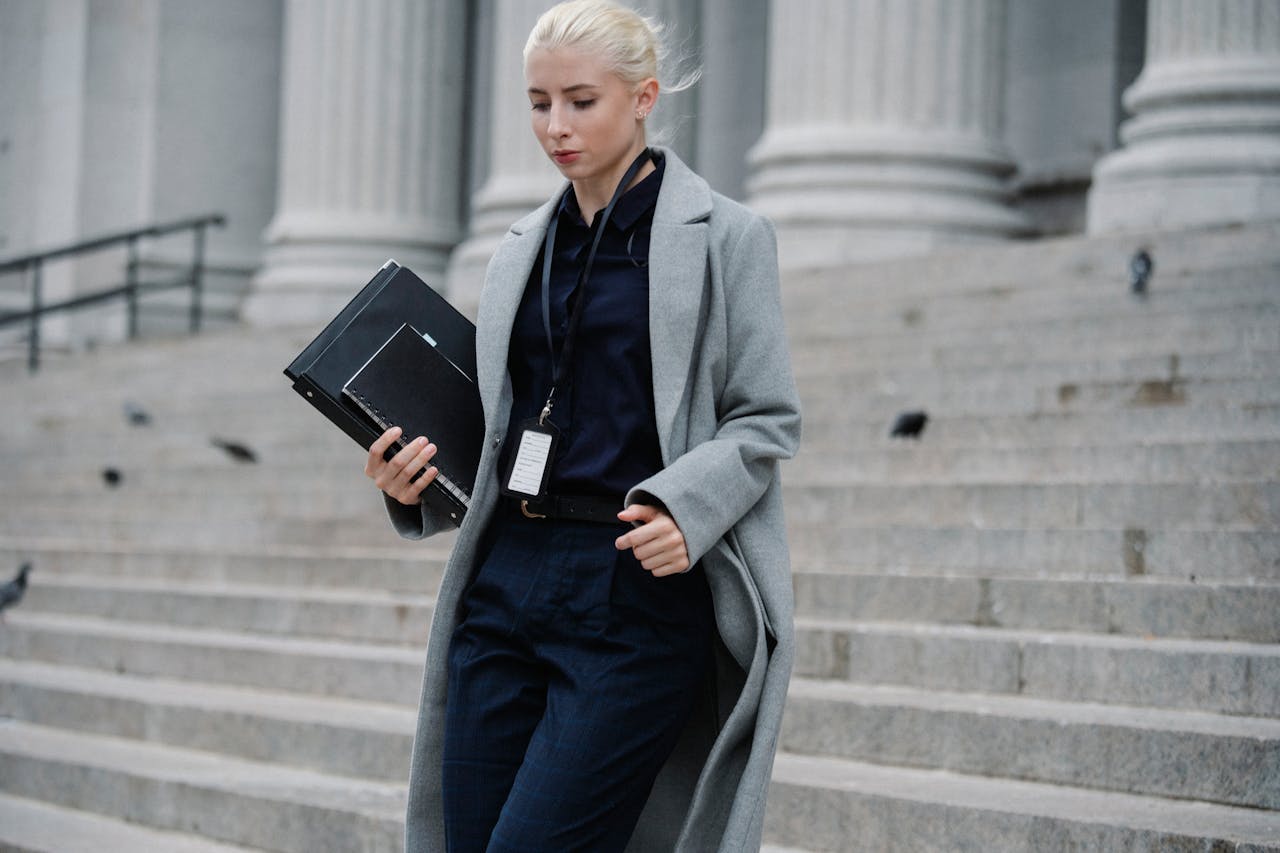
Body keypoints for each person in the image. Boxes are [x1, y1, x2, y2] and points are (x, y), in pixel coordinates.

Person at [364, 1, 801, 850]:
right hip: (504, 580)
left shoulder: (729, 238)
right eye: (537, 103)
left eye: (579, 100)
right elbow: (499, 425)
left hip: (633, 589)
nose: (555, 126)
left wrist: (688, 507)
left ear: (643, 97)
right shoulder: (518, 248)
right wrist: (412, 477)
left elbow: (766, 418)